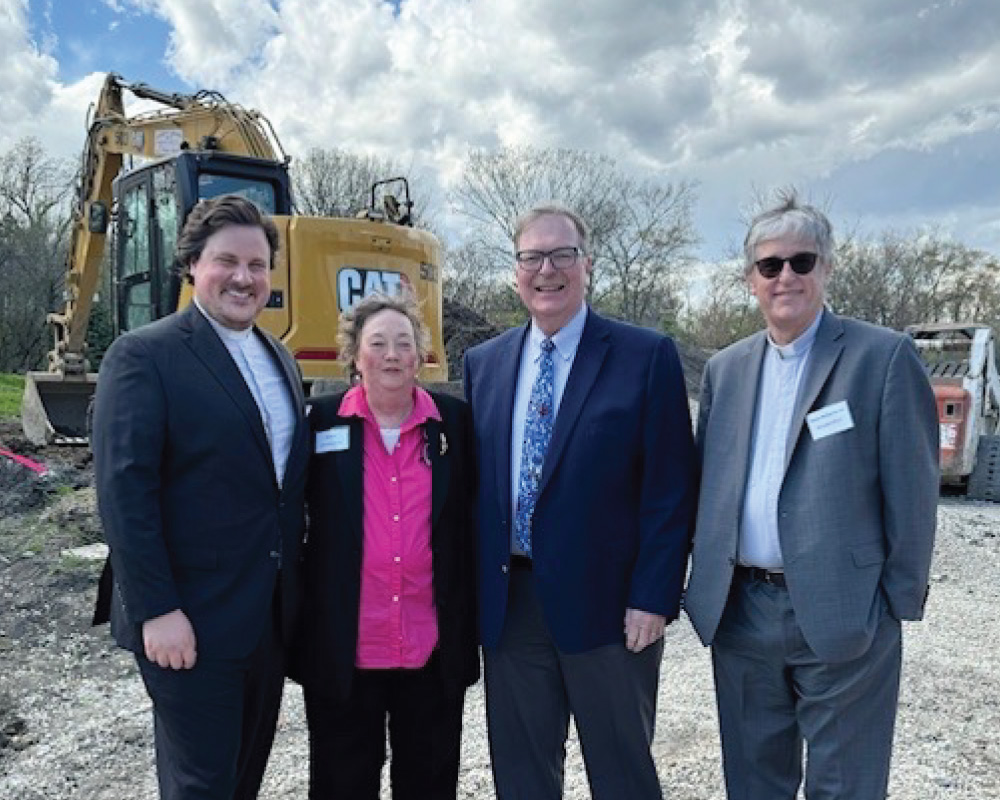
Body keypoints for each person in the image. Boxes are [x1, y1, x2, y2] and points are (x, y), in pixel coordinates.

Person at [684, 191, 939, 799]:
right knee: (754, 782)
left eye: (803, 261)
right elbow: (707, 482)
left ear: (826, 267)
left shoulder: (881, 357)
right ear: (749, 279)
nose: (787, 276)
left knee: (845, 784)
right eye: (770, 265)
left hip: (843, 611)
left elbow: (913, 485)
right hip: (742, 611)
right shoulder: (725, 369)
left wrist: (894, 604)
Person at [463, 205, 697, 799]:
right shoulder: (484, 365)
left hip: (612, 611)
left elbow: (670, 490)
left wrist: (654, 597)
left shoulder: (644, 356)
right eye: (532, 257)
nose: (548, 269)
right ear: (516, 271)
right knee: (522, 773)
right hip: (512, 605)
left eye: (562, 254)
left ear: (586, 265)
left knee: (621, 773)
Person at [92, 194, 309, 800]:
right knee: (201, 785)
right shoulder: (145, 356)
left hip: (264, 616)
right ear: (192, 264)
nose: (244, 278)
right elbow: (124, 493)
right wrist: (157, 609)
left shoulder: (280, 360)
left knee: (242, 777)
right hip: (187, 617)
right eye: (227, 262)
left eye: (258, 265)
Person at [290, 292, 479, 799]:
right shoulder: (320, 423)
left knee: (429, 785)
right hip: (345, 651)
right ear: (355, 355)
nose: (392, 355)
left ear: (421, 355)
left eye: (404, 343)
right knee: (341, 785)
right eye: (378, 343)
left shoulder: (456, 425)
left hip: (430, 652)